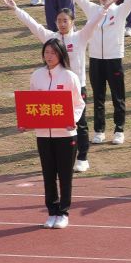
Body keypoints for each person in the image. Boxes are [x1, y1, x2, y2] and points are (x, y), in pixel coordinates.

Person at [8, 0, 108, 174]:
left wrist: (104, 9)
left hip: (76, 87)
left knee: (79, 123)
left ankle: (82, 158)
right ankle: (58, 156)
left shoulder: (80, 37)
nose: (62, 24)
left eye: (65, 20)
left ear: (72, 22)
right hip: (54, 91)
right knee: (54, 125)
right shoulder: (51, 38)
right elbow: (34, 25)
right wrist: (16, 9)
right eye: (59, 21)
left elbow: (93, 23)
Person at [55, 0, 131, 146]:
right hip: (96, 60)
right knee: (98, 97)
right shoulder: (92, 9)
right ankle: (99, 130)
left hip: (114, 59)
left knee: (117, 97)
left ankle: (119, 130)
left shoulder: (120, 11)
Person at [28, 39, 85, 229]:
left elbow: (79, 104)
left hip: (66, 135)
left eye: (53, 52)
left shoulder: (69, 77)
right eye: (46, 52)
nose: (49, 56)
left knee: (65, 175)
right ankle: (52, 212)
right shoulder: (37, 75)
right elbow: (32, 104)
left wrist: (73, 120)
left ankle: (63, 212)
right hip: (43, 135)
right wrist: (27, 123)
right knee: (48, 174)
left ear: (61, 54)